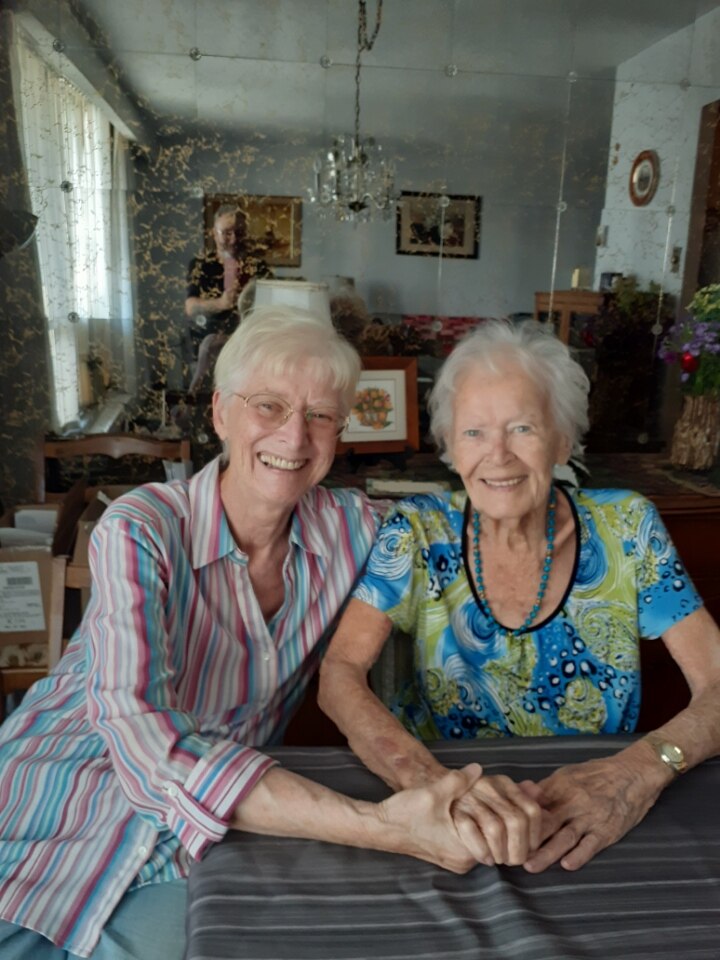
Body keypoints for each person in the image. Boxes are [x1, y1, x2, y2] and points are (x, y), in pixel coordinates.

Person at [0, 306, 514, 960]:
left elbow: (476, 527)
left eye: (320, 416)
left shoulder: (353, 530)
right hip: (53, 801)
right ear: (220, 413)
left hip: (194, 837)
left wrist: (517, 452)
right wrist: (381, 827)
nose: (294, 438)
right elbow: (141, 736)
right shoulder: (145, 525)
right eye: (268, 405)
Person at [318, 318, 720, 873]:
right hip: (450, 817)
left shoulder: (627, 527)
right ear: (451, 448)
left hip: (598, 813)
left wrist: (638, 772)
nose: (498, 455)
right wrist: (428, 782)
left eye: (523, 429)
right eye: (475, 432)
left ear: (562, 439)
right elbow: (339, 673)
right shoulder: (418, 531)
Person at [184, 205, 270, 393]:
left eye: (239, 232)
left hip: (247, 348)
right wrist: (220, 303)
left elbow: (273, 305)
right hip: (206, 349)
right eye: (227, 233)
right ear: (214, 233)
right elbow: (190, 307)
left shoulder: (258, 266)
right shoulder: (200, 264)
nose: (234, 239)